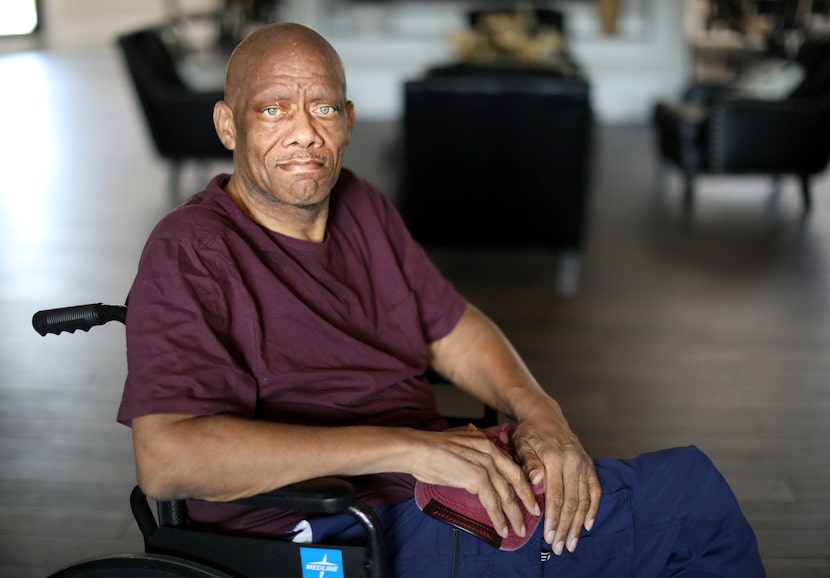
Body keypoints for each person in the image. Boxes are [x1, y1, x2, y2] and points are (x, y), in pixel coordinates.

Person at [117, 21, 765, 577]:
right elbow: (170, 460)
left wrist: (541, 414)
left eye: (323, 108)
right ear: (228, 125)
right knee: (691, 504)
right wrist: (406, 447)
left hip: (437, 482)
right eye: (272, 109)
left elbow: (452, 327)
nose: (304, 132)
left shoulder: (359, 205)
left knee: (645, 501)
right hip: (330, 528)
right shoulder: (192, 249)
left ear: (346, 121)